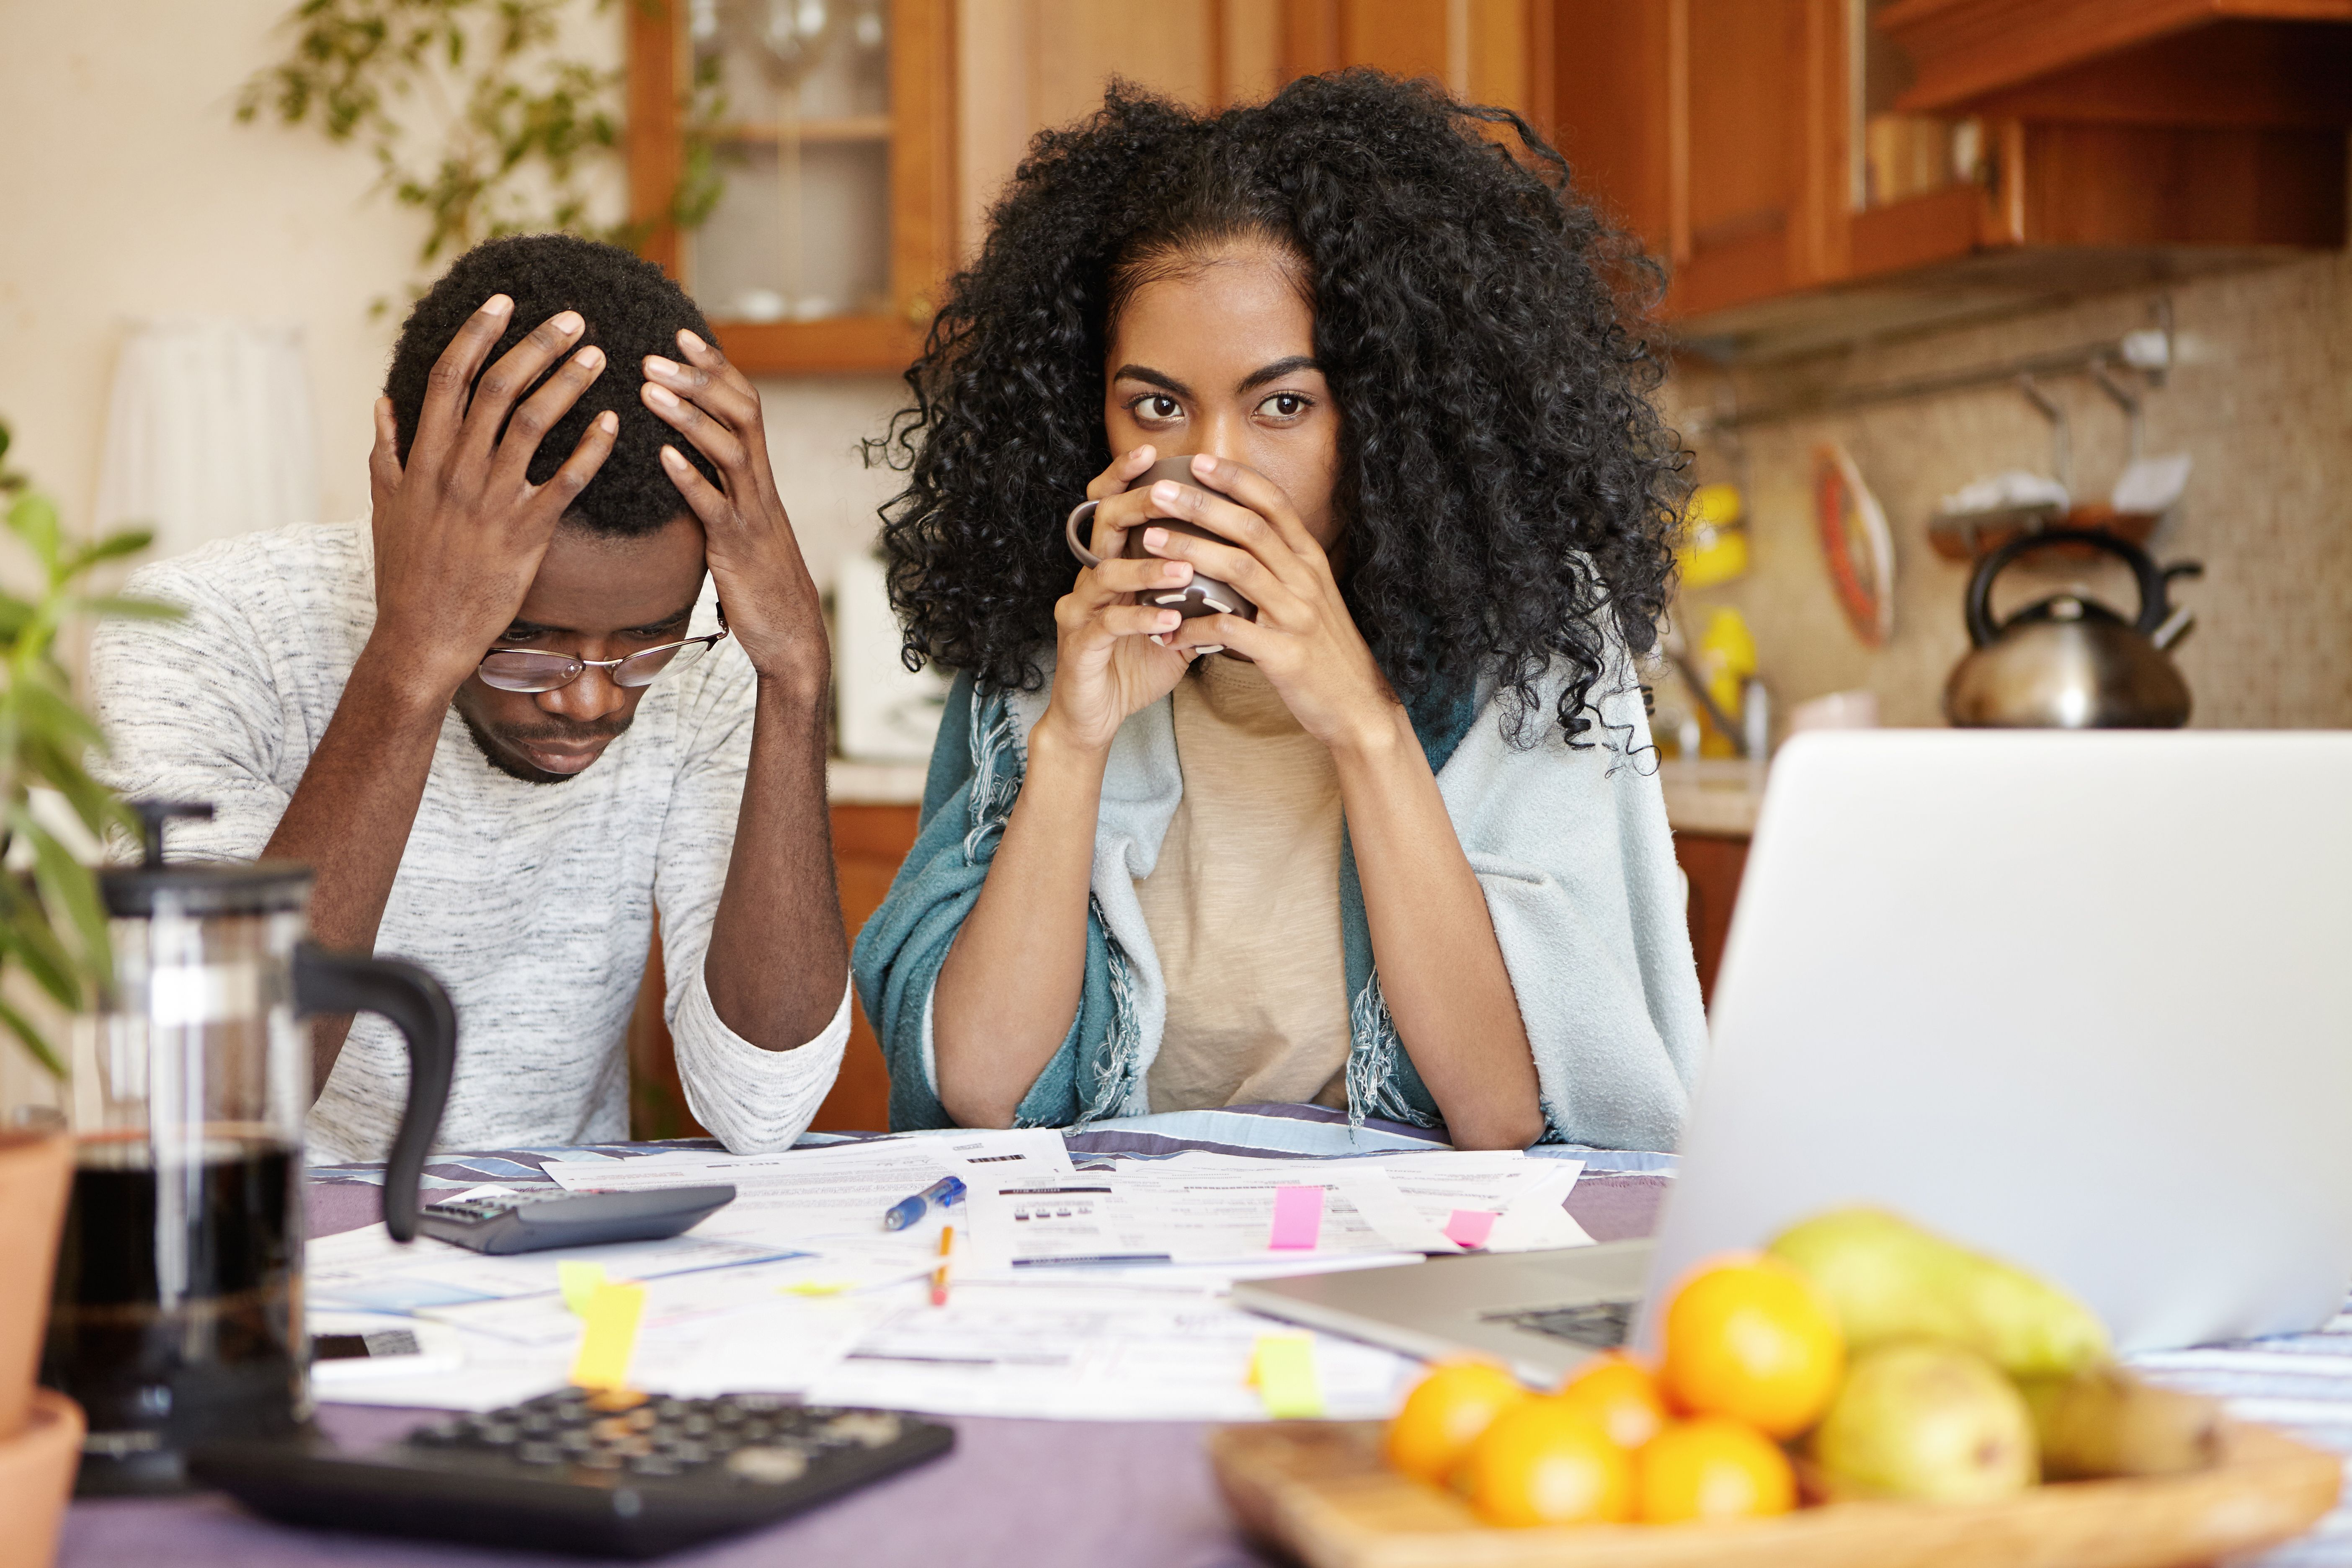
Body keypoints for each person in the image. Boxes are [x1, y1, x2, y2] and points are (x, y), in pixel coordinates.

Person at [853, 73, 1707, 1151]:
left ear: (1389, 413)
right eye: (1157, 405)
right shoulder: (1049, 640)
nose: (1210, 466)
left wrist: (1363, 722)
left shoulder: (1527, 632)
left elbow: (1502, 1113)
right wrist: (1074, 740)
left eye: (1284, 406)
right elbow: (976, 1084)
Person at [93, 234, 848, 1161]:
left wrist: (798, 680)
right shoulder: (191, 634)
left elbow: (761, 1112)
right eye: (524, 645)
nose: (592, 701)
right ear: (394, 516)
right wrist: (412, 661)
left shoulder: (706, 660)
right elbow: (219, 1103)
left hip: (558, 1275)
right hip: (279, 1272)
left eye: (645, 642)